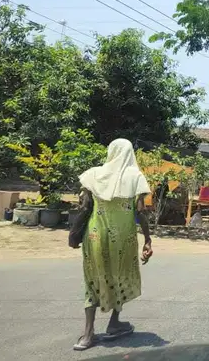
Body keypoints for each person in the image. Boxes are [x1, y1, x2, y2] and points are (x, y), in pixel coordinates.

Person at [70, 139, 153, 351]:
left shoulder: (93, 174)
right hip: (124, 238)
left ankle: (88, 335)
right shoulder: (135, 177)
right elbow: (140, 212)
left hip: (95, 236)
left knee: (93, 279)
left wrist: (75, 233)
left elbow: (84, 205)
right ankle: (114, 323)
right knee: (120, 276)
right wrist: (148, 239)